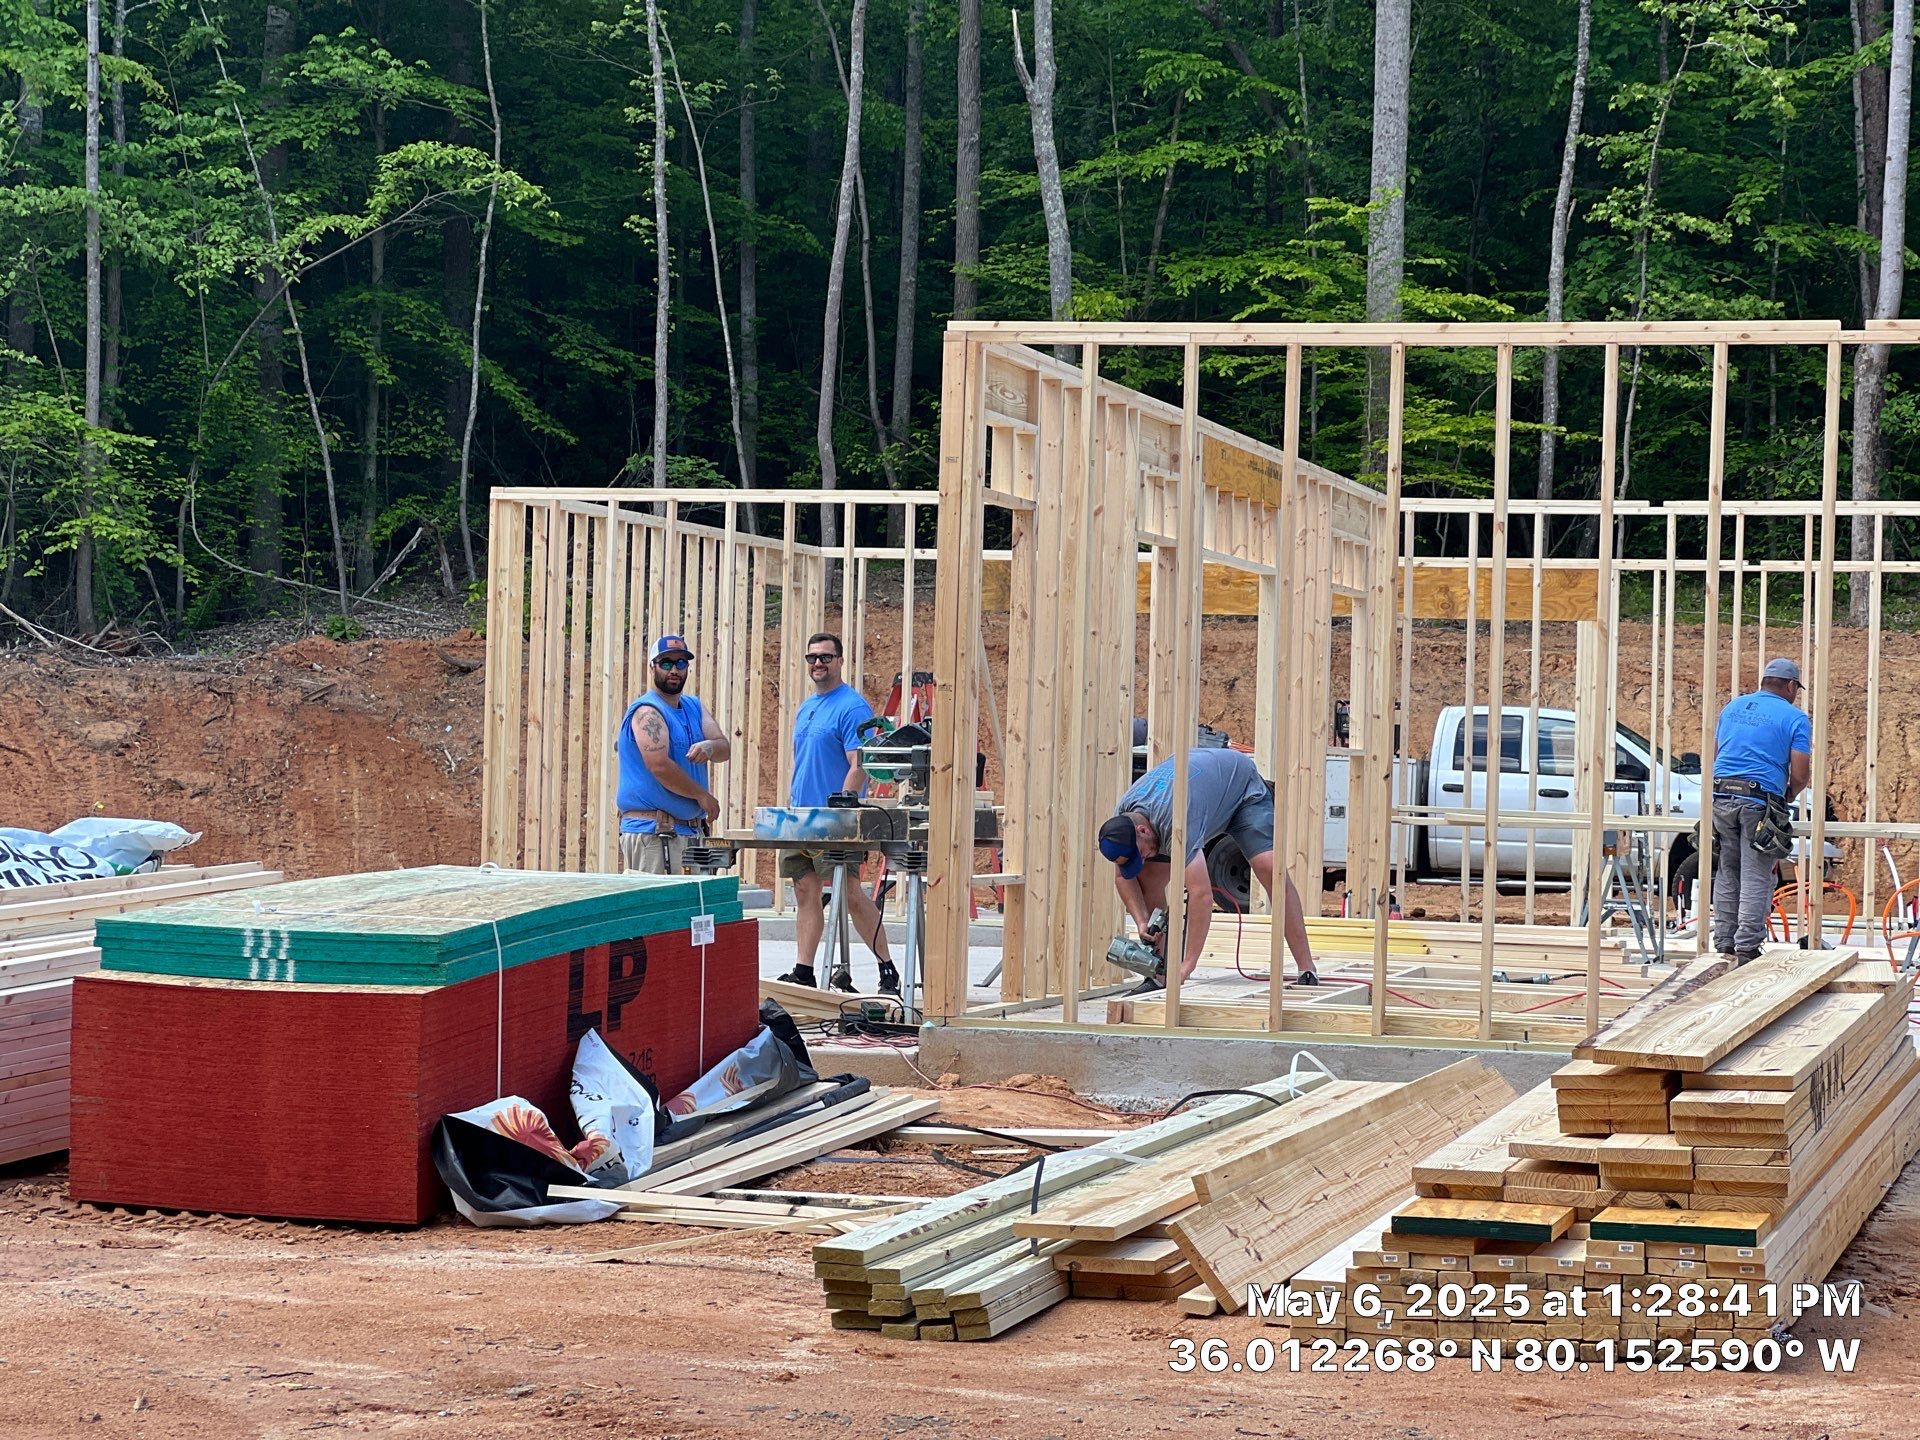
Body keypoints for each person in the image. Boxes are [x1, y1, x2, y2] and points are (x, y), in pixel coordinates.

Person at [1098, 748, 1318, 994]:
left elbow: (1201, 895)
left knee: (1270, 867)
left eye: (1141, 852)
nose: (1144, 857)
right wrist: (1141, 921)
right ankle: (1160, 974)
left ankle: (1306, 967)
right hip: (1204, 793)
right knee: (1147, 879)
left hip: (1241, 790)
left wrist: (1188, 965)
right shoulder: (1123, 820)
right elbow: (1122, 877)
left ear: (1143, 830)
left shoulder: (1177, 819)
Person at [776, 633, 900, 995]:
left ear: (840, 661)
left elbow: (859, 764)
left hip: (832, 821)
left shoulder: (851, 707)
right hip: (801, 818)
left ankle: (887, 968)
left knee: (849, 894)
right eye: (813, 657)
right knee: (804, 890)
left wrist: (841, 807)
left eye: (826, 657)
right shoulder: (807, 707)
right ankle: (804, 970)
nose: (818, 663)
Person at [1710, 657, 1812, 964]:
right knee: (1757, 874)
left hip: (1721, 796)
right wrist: (1787, 795)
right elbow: (1800, 771)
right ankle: (1747, 948)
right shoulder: (1795, 718)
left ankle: (1725, 942)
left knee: (1728, 871)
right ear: (1791, 686)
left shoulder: (1732, 708)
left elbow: (1717, 753)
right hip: (1758, 802)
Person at [614, 635, 730, 874]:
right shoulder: (648, 712)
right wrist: (701, 795)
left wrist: (709, 747)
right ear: (653, 666)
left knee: (693, 912)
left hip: (687, 833)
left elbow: (724, 748)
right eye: (666, 663)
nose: (674, 670)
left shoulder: (693, 706)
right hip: (654, 832)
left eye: (680, 663)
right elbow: (659, 765)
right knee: (656, 910)